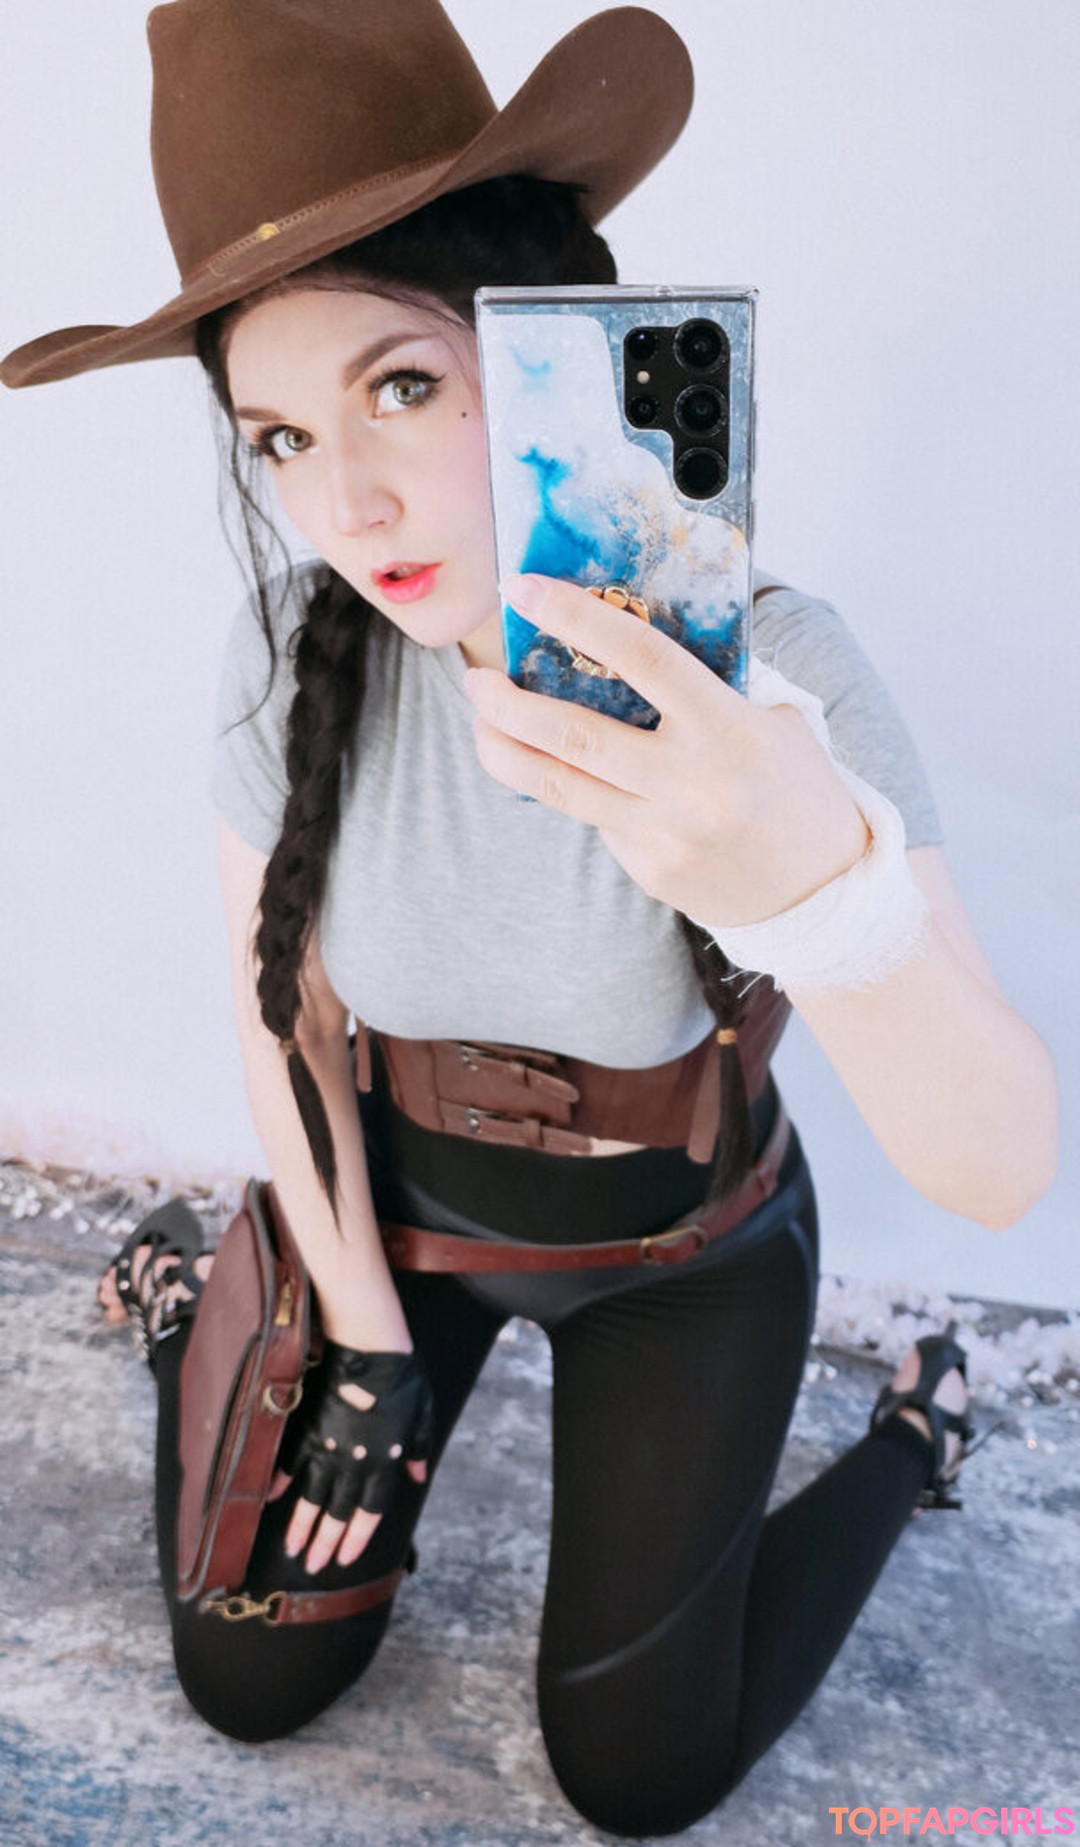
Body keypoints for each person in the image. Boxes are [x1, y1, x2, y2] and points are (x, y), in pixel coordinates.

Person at [2, 1, 1058, 1836]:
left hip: (680, 1259)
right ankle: (199, 1297)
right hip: (401, 1234)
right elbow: (277, 1018)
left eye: (402, 389)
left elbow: (998, 1172)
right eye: (280, 437)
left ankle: (916, 1428)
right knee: (250, 1680)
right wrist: (360, 1332)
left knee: (637, 1775)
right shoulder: (296, 654)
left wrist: (819, 888)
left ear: (554, 346)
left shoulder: (774, 679)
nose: (344, 502)